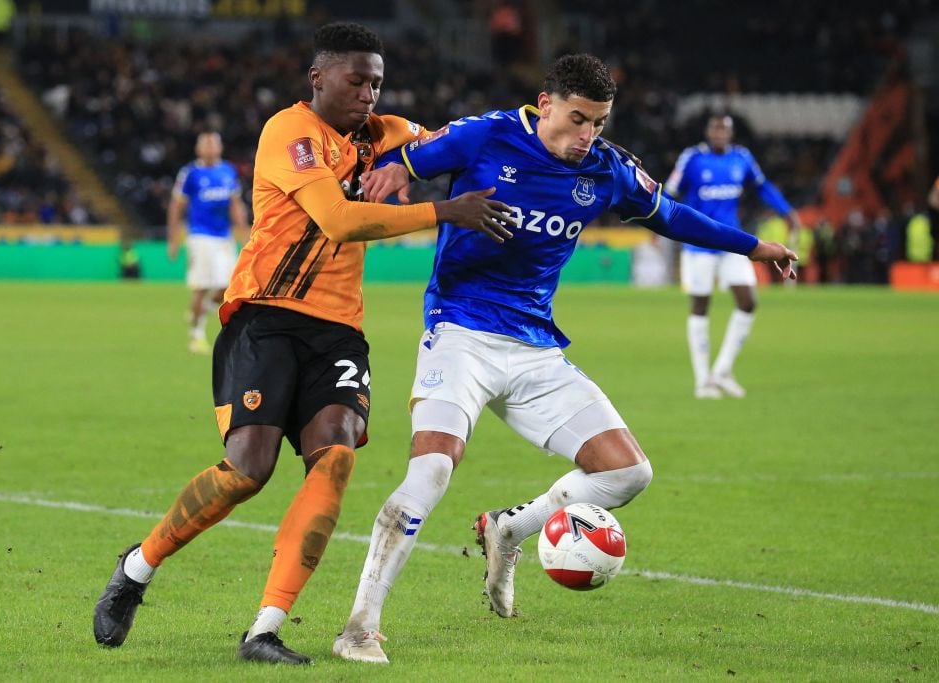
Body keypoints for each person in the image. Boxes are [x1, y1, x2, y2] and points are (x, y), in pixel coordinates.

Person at [332, 54, 796, 664]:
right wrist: (391, 173)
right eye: (578, 120)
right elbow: (405, 161)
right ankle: (360, 627)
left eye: (599, 124)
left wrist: (753, 245)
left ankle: (510, 529)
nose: (588, 137)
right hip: (460, 332)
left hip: (536, 348)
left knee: (629, 473)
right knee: (433, 471)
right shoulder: (486, 134)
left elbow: (672, 216)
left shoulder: (607, 168)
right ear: (545, 103)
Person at [92, 21, 512, 666]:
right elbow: (339, 221)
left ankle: (264, 628)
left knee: (336, 457)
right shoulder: (288, 133)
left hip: (339, 329)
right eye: (356, 79)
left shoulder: (389, 135)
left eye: (377, 81)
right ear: (318, 78)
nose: (369, 93)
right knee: (247, 472)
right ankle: (138, 568)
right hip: (266, 317)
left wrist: (545, 139)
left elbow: (464, 142)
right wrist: (440, 211)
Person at [665, 114, 802, 398]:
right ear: (707, 132)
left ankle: (723, 370)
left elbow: (763, 187)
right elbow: (670, 191)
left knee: (748, 301)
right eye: (715, 128)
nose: (719, 133)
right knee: (701, 304)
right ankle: (703, 380)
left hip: (732, 243)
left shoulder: (742, 158)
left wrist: (787, 211)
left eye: (724, 129)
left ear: (731, 133)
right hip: (698, 245)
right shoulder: (692, 158)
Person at [167, 132, 248, 354]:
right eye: (206, 144)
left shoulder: (228, 171)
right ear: (198, 148)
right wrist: (173, 239)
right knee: (202, 287)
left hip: (224, 237)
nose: (211, 147)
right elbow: (177, 206)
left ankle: (198, 312)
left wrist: (244, 232)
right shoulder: (190, 173)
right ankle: (196, 334)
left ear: (220, 148)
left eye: (214, 144)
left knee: (228, 287)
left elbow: (235, 204)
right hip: (200, 236)